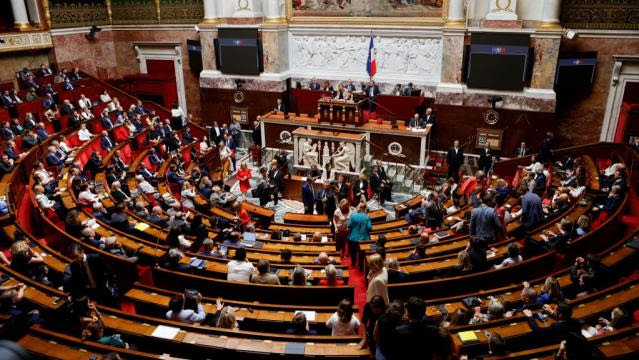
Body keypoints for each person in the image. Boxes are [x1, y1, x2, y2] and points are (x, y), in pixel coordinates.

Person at [348, 202, 372, 267]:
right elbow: (369, 227)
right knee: (362, 253)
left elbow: (349, 226)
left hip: (353, 238)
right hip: (364, 238)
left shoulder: (353, 216)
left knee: (353, 252)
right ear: (365, 209)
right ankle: (361, 267)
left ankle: (353, 263)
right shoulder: (367, 217)